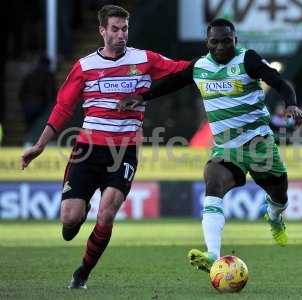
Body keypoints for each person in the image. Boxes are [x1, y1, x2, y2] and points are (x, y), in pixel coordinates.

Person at [20, 5, 188, 289]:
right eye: (115, 29)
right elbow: (63, 107)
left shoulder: (145, 59)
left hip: (124, 152)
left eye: (124, 29)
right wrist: (39, 145)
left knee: (108, 212)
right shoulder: (85, 66)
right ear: (102, 31)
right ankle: (79, 211)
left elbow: (183, 69)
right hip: (87, 150)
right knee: (70, 220)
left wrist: (217, 59)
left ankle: (82, 274)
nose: (121, 34)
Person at [118, 19, 302, 273]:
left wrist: (291, 102)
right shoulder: (200, 66)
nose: (220, 47)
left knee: (279, 197)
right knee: (212, 184)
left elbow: (277, 80)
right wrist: (141, 97)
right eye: (214, 41)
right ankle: (212, 255)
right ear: (207, 42)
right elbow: (172, 83)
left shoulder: (247, 60)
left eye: (226, 41)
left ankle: (273, 216)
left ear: (235, 40)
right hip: (226, 148)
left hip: (259, 144)